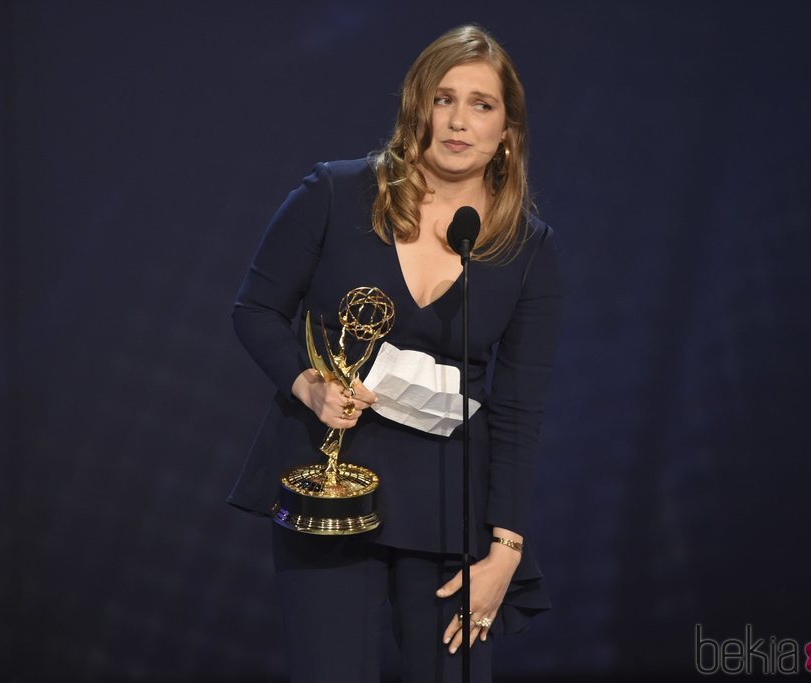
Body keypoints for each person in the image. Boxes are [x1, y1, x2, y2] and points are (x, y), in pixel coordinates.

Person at [228, 24, 561, 683]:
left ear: (508, 131)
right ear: (418, 108)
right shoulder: (335, 193)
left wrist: (505, 553)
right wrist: (307, 384)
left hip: (447, 507)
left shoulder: (527, 250)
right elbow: (255, 309)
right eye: (445, 99)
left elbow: (519, 410)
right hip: (331, 492)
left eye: (481, 104)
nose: (460, 121)